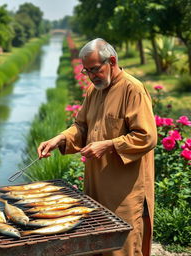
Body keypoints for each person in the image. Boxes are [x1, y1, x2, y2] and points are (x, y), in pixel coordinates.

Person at [37, 38, 157, 256]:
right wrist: (60, 139)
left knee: (122, 248)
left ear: (111, 61)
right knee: (96, 245)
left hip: (124, 193)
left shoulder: (133, 89)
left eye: (95, 69)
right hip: (95, 187)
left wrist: (110, 145)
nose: (92, 76)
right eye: (87, 71)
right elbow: (81, 126)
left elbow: (147, 137)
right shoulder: (94, 90)